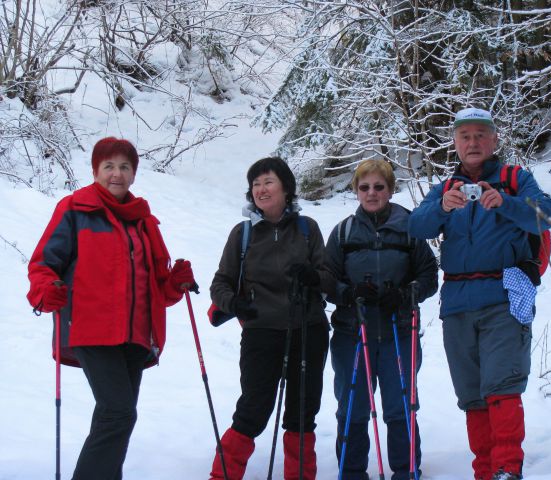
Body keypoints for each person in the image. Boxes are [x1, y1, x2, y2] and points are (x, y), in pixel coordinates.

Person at [26, 137, 195, 480]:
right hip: (92, 329)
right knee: (118, 413)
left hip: (134, 336)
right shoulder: (75, 209)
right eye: (109, 166)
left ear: (134, 174)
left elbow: (156, 289)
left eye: (124, 167)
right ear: (95, 170)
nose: (116, 174)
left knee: (115, 414)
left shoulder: (144, 221)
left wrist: (175, 282)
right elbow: (44, 263)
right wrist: (46, 290)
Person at [408, 108, 551, 480]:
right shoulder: (445, 188)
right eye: (464, 136)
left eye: (480, 135)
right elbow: (416, 225)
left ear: (493, 140)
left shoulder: (515, 178)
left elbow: (546, 215)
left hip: (503, 296)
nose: (472, 143)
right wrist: (442, 206)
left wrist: (505, 203)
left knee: (501, 385)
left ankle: (507, 467)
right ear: (455, 143)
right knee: (472, 394)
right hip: (456, 300)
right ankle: (484, 471)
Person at [208, 156, 333, 480]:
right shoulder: (244, 234)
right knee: (252, 409)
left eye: (268, 182)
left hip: (308, 330)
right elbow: (220, 282)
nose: (261, 189)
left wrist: (313, 277)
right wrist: (234, 305)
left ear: (286, 188)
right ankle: (222, 476)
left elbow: (329, 278)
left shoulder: (308, 229)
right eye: (256, 184)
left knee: (302, 414)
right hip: (261, 331)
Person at [325, 159, 438, 479]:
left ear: (390, 189)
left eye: (379, 187)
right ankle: (351, 472)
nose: (371, 193)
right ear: (356, 191)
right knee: (352, 407)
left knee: (400, 405)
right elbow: (326, 278)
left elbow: (429, 275)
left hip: (398, 330)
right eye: (364, 187)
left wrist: (404, 295)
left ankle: (405, 470)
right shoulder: (344, 232)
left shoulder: (410, 228)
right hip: (352, 331)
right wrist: (349, 293)